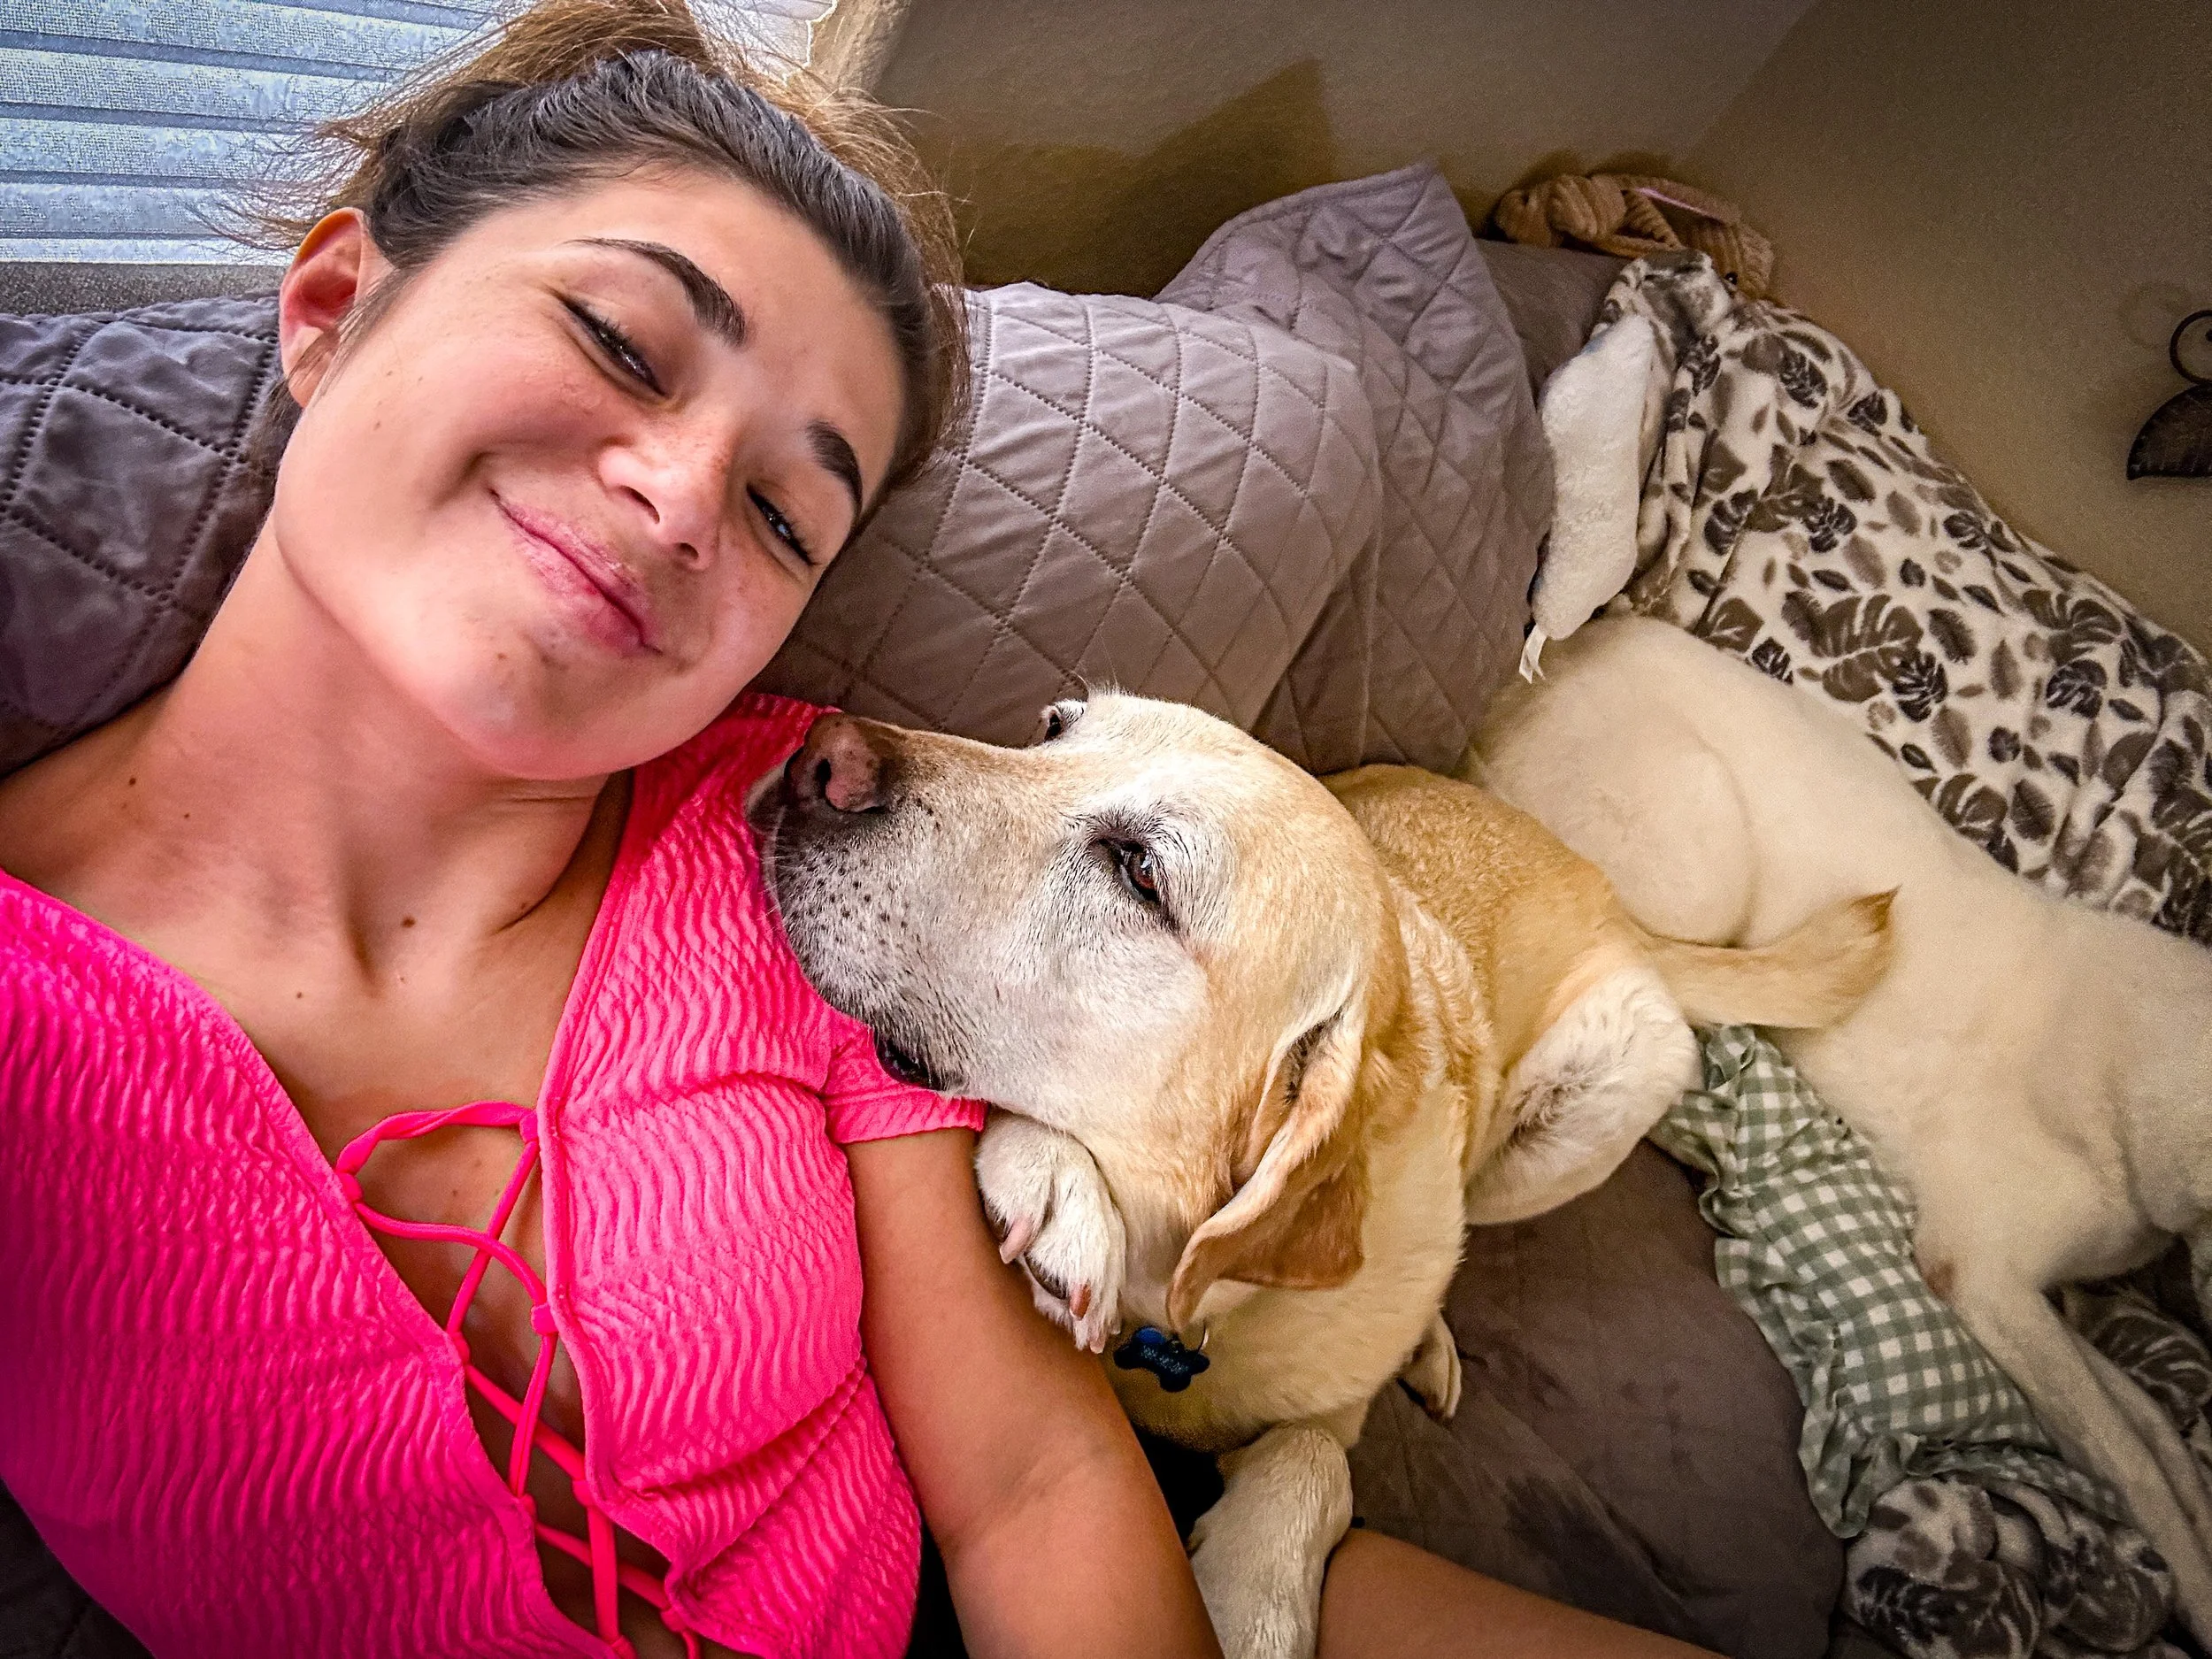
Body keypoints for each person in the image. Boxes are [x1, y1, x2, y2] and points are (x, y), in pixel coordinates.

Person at [0, 4, 1716, 1656]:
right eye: (616, 342)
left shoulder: (800, 835)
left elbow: (1032, 1485)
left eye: (778, 510)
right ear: (332, 308)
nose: (678, 501)